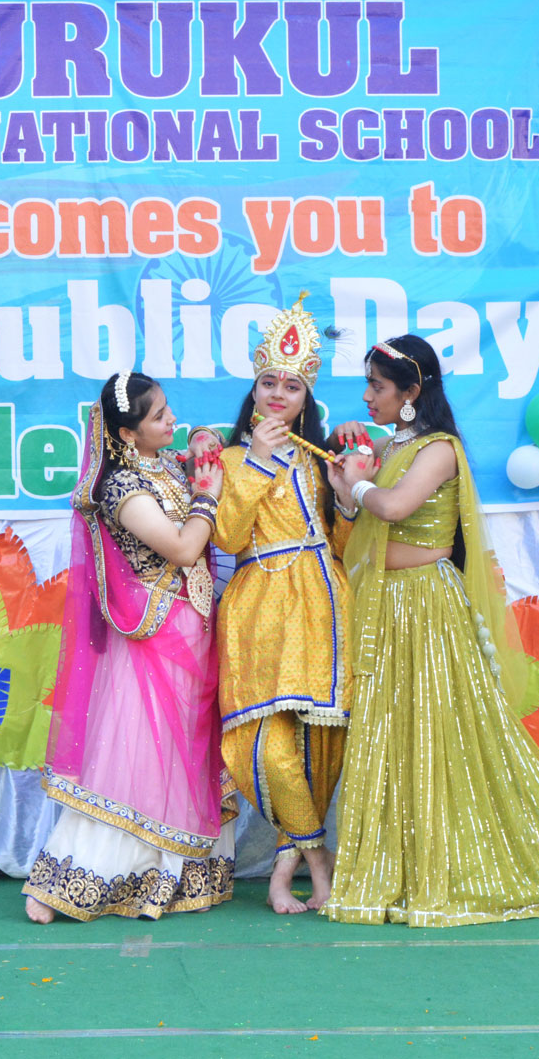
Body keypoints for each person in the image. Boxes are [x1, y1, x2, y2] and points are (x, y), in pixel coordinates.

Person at [321, 334, 539, 927]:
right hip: (386, 608)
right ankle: (404, 873)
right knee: (394, 738)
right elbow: (364, 510)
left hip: (429, 609)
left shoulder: (438, 449)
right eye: (368, 385)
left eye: (377, 387)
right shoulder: (390, 445)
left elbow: (393, 507)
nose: (366, 397)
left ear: (411, 392)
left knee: (475, 737)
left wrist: (358, 483)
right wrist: (346, 482)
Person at [22, 372, 235, 921]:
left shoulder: (163, 465)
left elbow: (207, 447)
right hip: (151, 638)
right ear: (126, 432)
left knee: (180, 755)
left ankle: (164, 876)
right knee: (134, 755)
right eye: (159, 416)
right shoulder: (122, 488)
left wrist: (205, 442)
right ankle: (69, 882)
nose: (171, 420)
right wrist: (207, 498)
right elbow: (183, 549)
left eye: (168, 409)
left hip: (192, 630)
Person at [209, 294, 351, 914]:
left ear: (305, 398)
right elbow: (226, 536)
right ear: (253, 388)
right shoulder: (227, 459)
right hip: (258, 606)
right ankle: (318, 858)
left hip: (322, 603)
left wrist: (346, 495)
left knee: (319, 745)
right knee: (260, 744)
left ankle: (284, 868)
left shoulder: (321, 461)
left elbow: (343, 545)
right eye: (268, 382)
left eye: (291, 387)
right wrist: (260, 462)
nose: (277, 394)